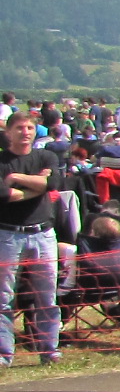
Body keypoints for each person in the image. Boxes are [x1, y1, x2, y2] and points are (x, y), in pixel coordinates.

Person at [1, 111, 63, 365]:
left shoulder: (46, 155)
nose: (24, 132)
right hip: (8, 235)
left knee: (47, 297)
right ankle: (4, 354)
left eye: (29, 128)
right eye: (19, 128)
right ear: (8, 133)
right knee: (4, 298)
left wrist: (17, 180)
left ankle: (50, 351)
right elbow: (3, 195)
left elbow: (55, 182)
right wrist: (38, 184)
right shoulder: (2, 160)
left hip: (43, 235)